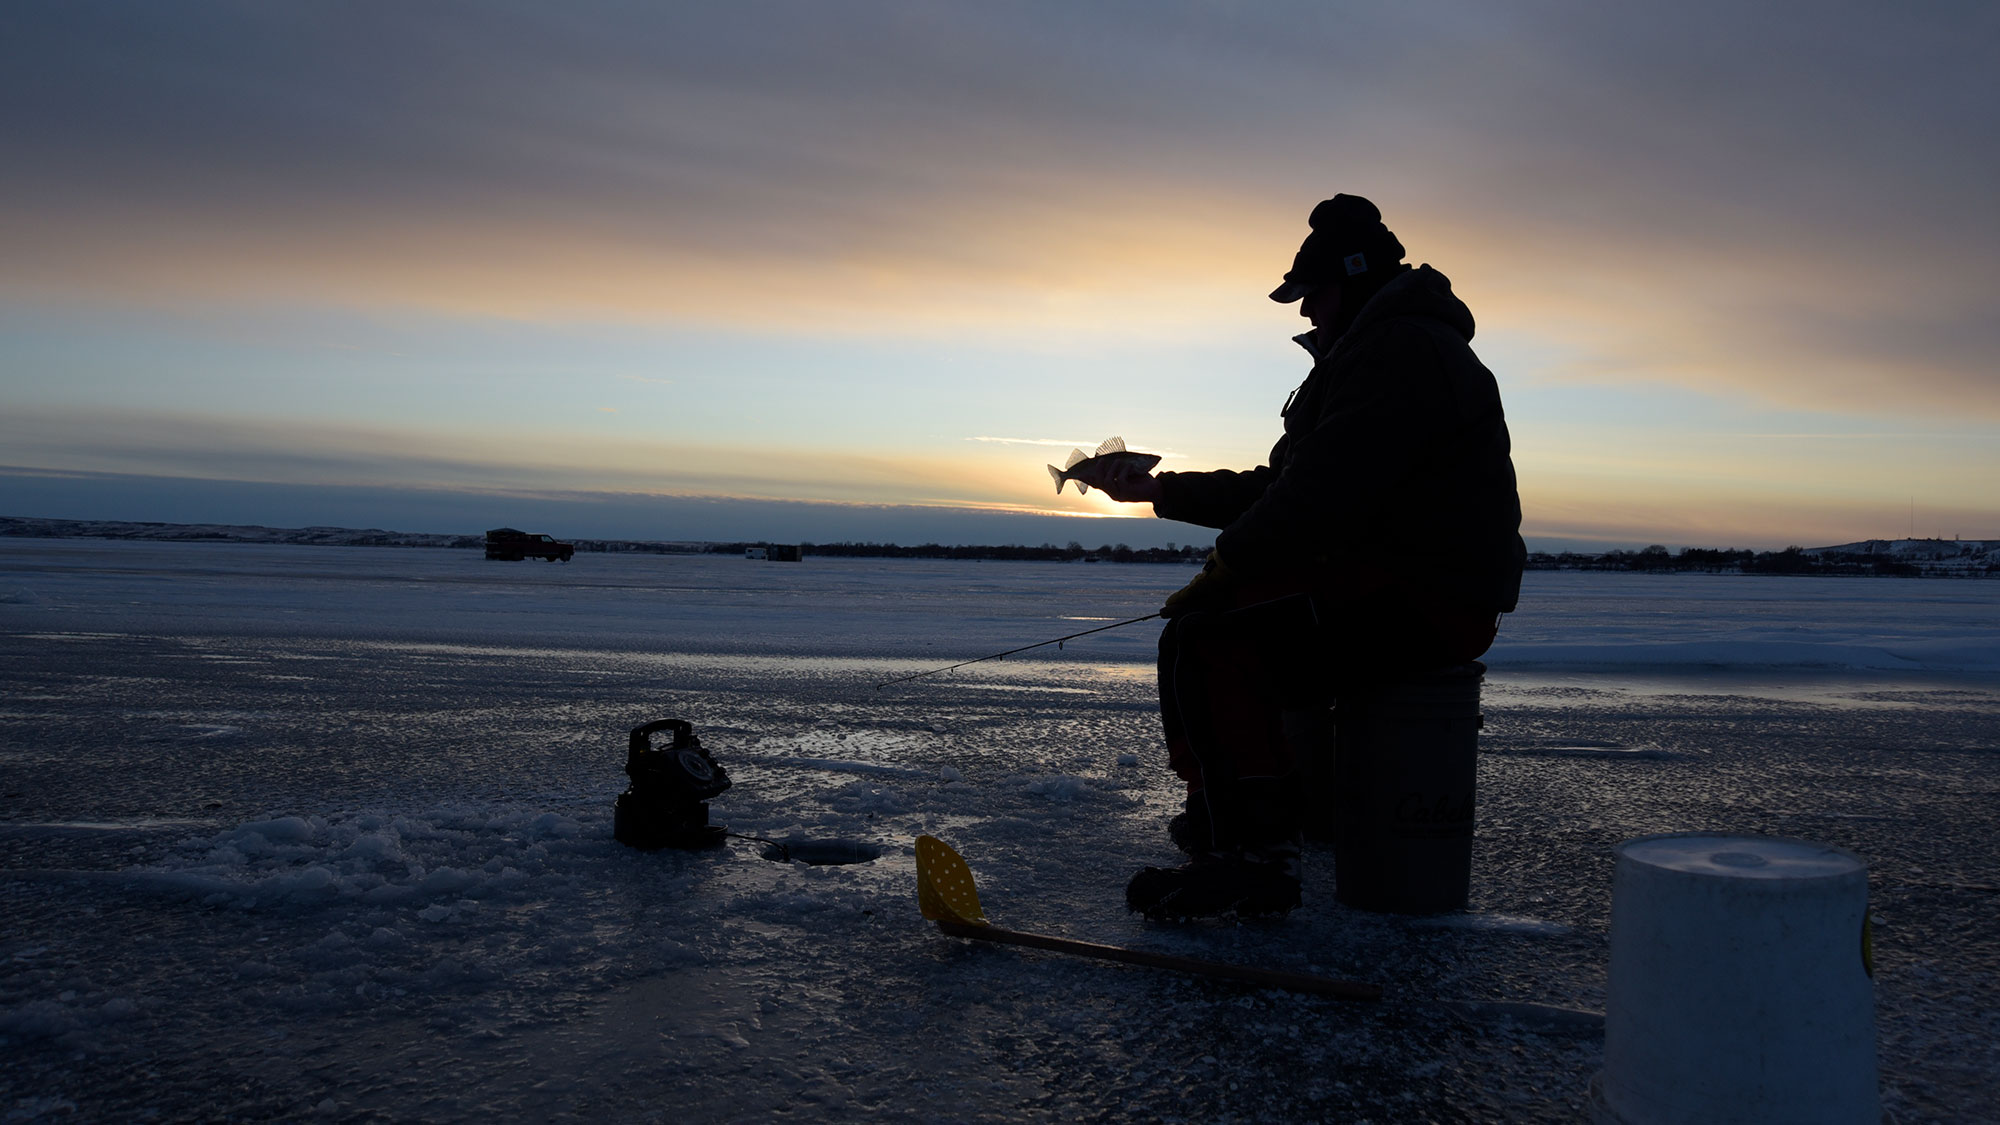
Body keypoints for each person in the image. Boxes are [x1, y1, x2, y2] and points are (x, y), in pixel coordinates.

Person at [1070, 194, 1524, 920]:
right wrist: (1161, 491)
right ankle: (1233, 823)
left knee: (1211, 637)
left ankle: (1251, 856)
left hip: (1429, 595)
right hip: (1394, 579)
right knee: (1202, 631)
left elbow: (1321, 492)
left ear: (1354, 279)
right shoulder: (1375, 352)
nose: (1306, 309)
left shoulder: (1401, 350)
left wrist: (1230, 563)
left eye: (1312, 292)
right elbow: (1286, 485)